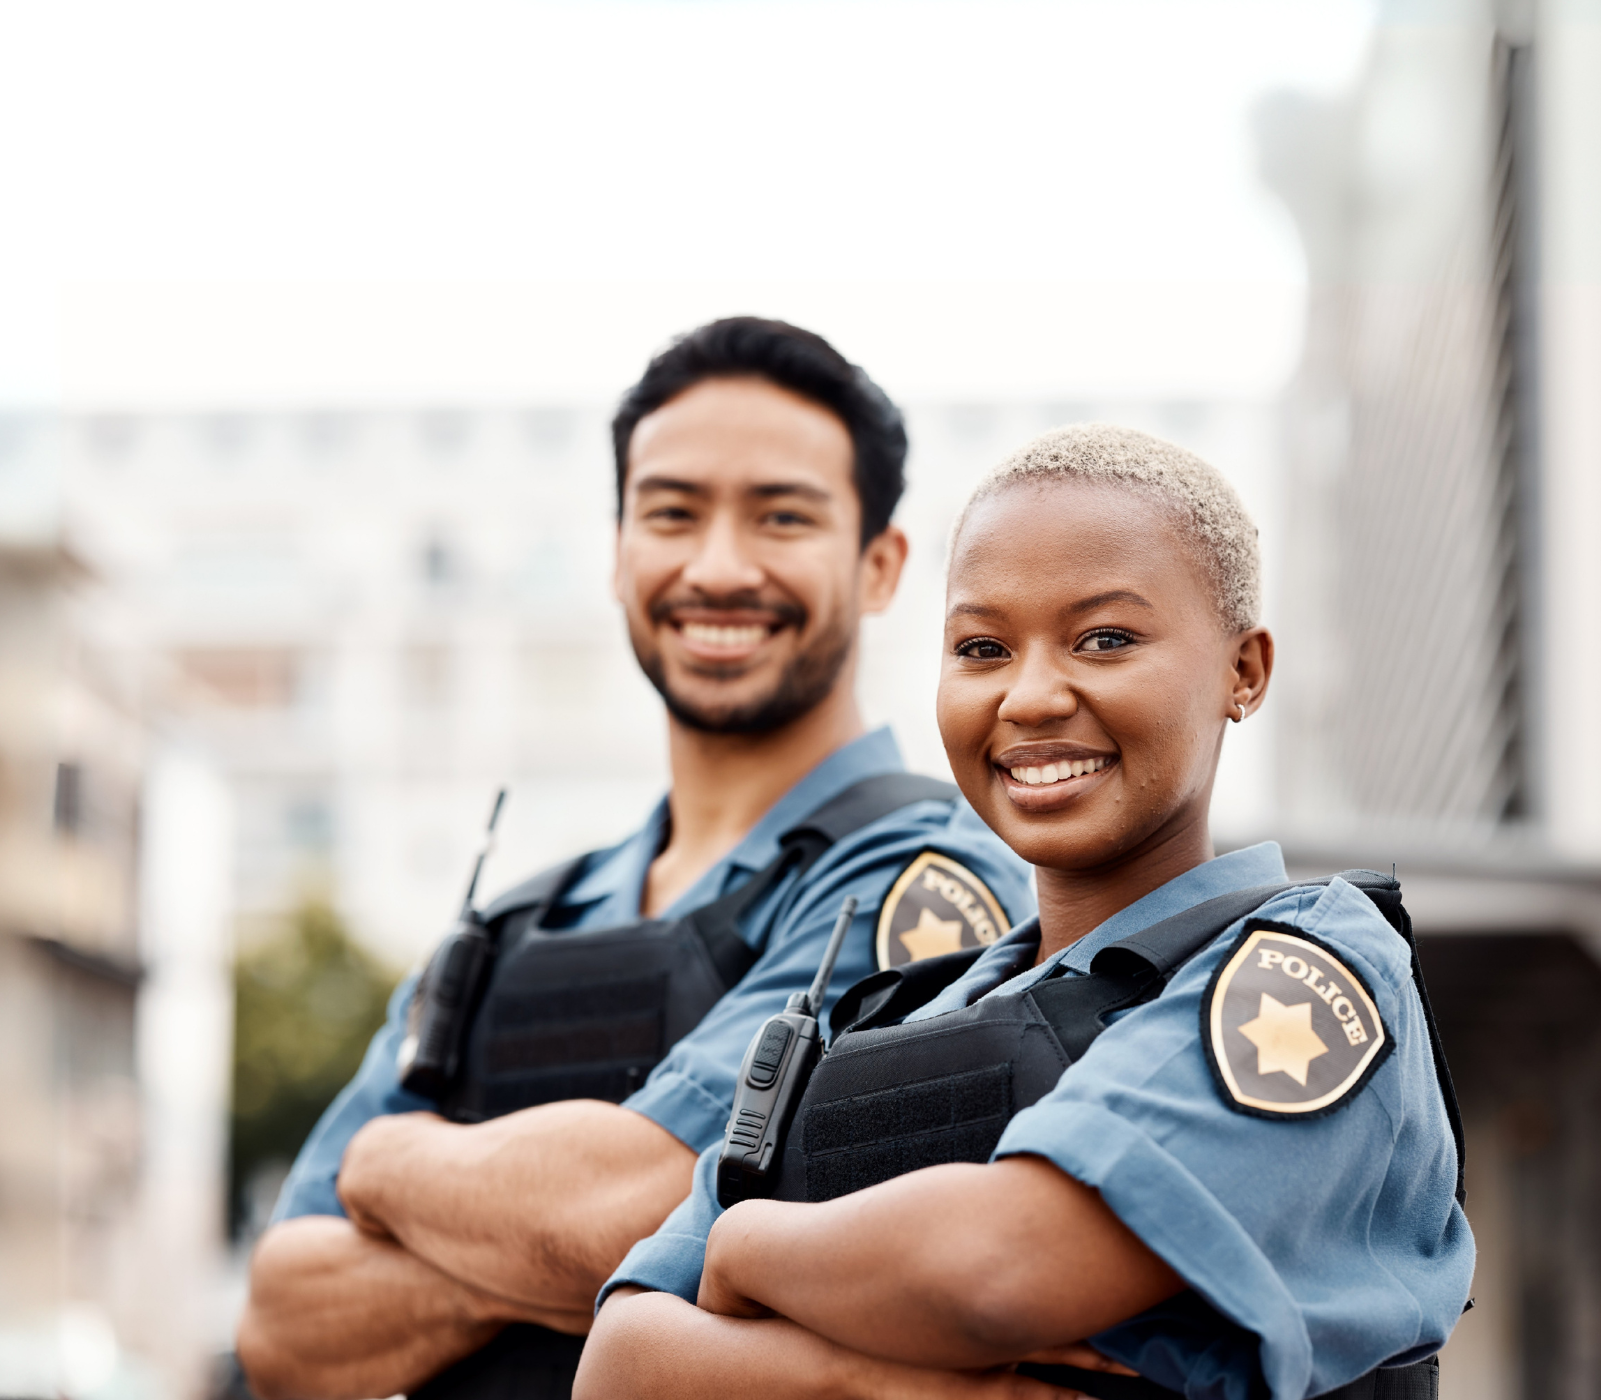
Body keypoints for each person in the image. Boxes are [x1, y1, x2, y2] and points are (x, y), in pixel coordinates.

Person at [578, 423, 1474, 1399]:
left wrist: (746, 1244)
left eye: (1104, 638)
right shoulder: (872, 1021)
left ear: (1242, 671)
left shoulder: (1305, 965)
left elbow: (1001, 1267)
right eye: (981, 647)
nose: (1031, 694)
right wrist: (883, 1381)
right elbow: (619, 1360)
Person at [235, 318, 1032, 1400]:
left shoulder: (928, 882)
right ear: (617, 551)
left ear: (880, 564)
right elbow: (283, 1325)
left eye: (780, 515)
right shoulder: (517, 923)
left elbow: (626, 1209)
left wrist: (390, 1168)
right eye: (670, 511)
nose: (715, 565)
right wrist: (552, 1251)